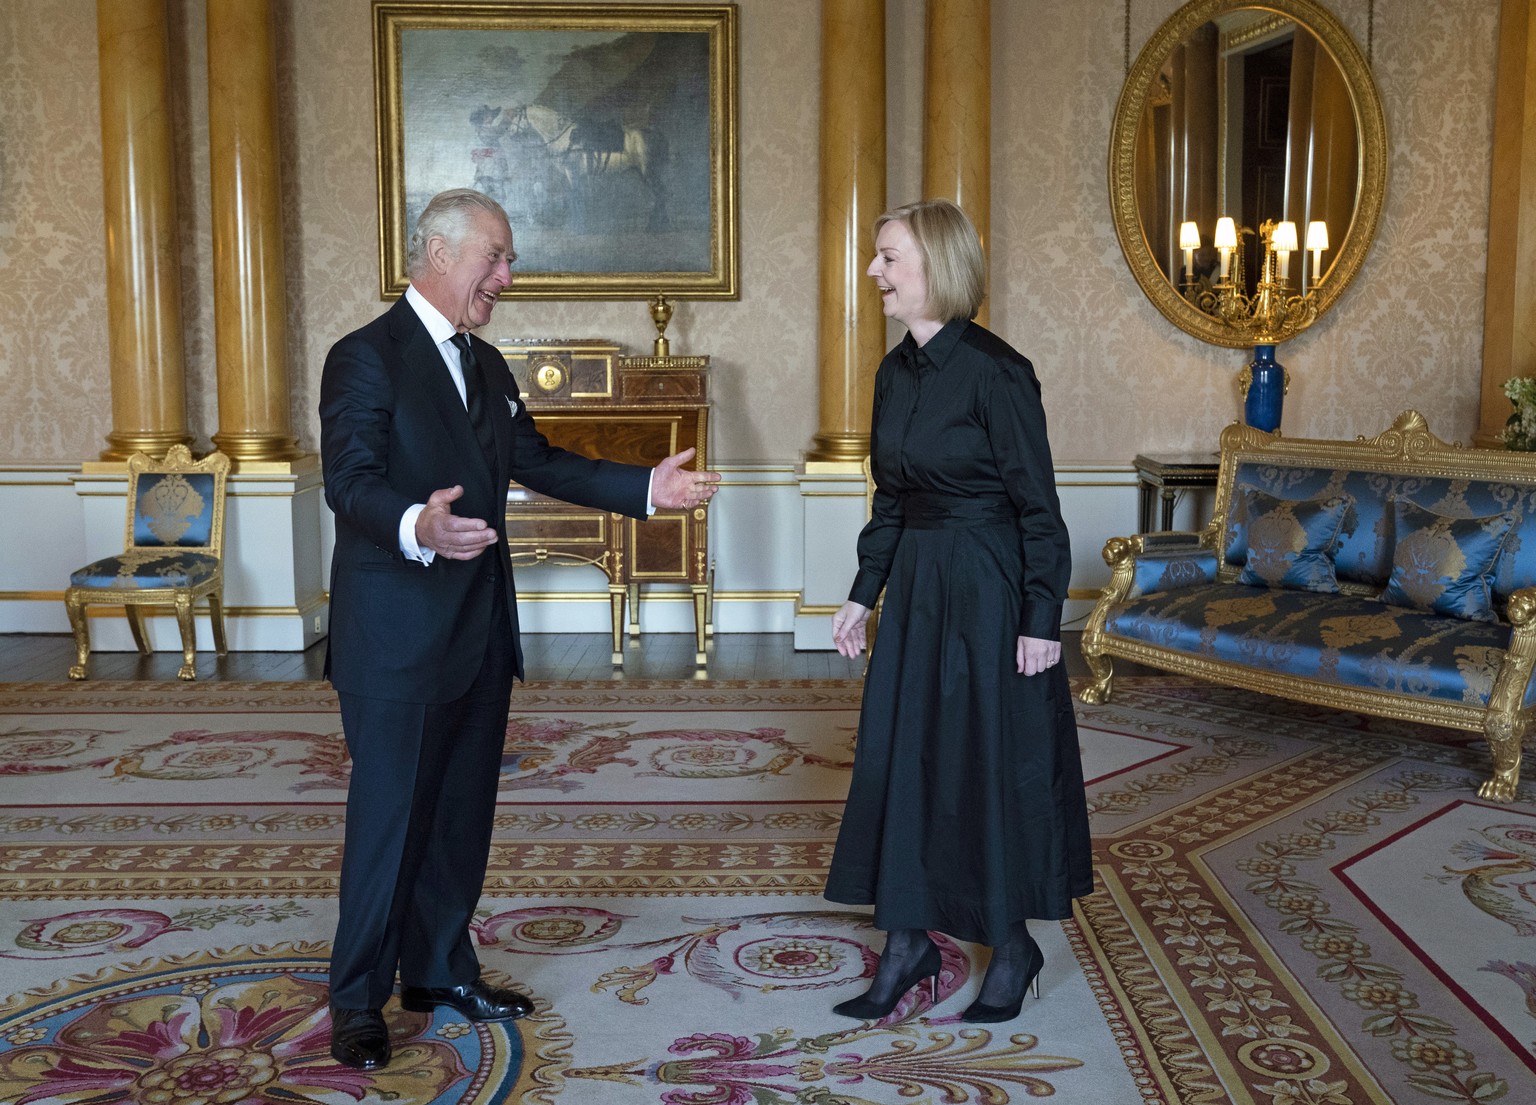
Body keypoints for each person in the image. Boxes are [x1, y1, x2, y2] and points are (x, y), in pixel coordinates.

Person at [319, 188, 720, 1070]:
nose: (507, 274)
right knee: (390, 822)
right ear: (436, 253)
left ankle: (437, 969)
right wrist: (415, 526)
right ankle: (356, 1000)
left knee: (461, 819)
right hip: (395, 636)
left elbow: (540, 462)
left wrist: (647, 489)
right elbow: (347, 481)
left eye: (508, 259)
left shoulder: (488, 365)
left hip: (478, 632)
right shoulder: (365, 358)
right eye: (493, 257)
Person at [825, 199, 1092, 1023]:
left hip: (990, 587)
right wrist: (862, 594)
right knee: (908, 757)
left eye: (888, 258)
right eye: (876, 258)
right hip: (919, 590)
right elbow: (892, 498)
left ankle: (1012, 944)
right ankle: (905, 941)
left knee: (985, 760)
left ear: (935, 267)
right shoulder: (892, 372)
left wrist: (1042, 617)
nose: (874, 272)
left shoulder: (999, 372)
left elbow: (1040, 509)